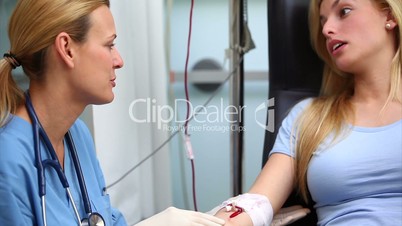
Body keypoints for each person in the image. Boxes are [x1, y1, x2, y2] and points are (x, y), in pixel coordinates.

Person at [0, 0, 226, 226]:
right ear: (67, 49)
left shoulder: (77, 135)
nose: (119, 61)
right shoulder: (8, 159)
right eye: (109, 45)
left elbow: (104, 219)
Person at [210, 0, 402, 225]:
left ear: (389, 16)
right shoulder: (309, 117)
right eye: (323, 21)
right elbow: (256, 203)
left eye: (344, 11)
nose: (326, 30)